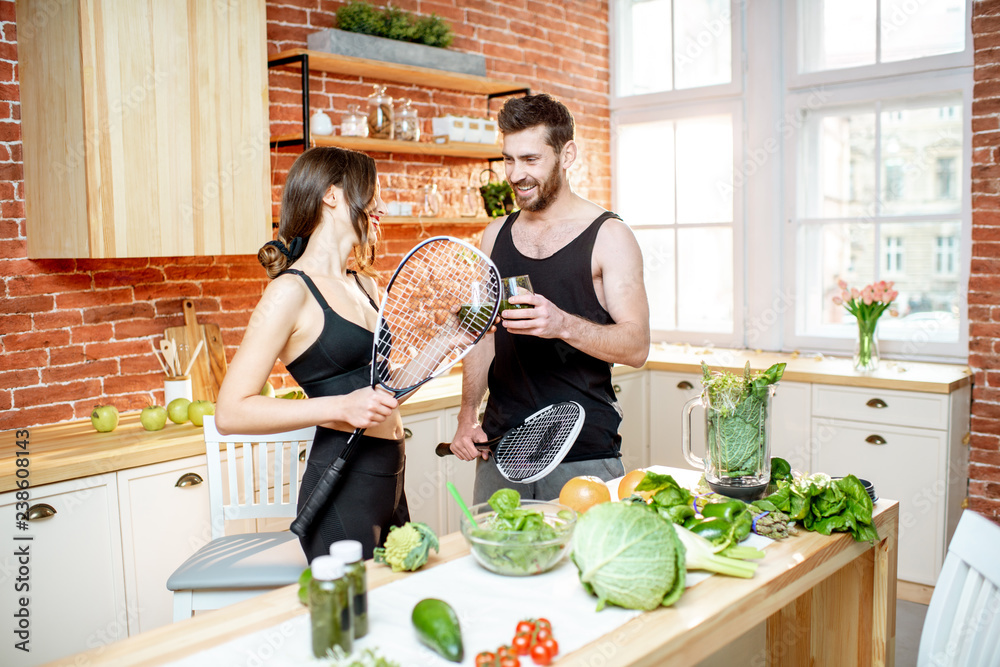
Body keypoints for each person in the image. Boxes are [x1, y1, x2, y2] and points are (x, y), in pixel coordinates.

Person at [448, 93, 650, 503]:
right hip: (502, 448)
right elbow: (483, 334)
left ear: (566, 154)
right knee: (494, 561)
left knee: (585, 565)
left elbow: (637, 346)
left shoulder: (610, 236)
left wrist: (563, 325)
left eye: (531, 159)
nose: (516, 174)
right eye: (508, 159)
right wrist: (469, 412)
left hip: (583, 454)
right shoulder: (494, 235)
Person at [215, 146, 406, 562]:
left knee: (392, 611)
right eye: (371, 192)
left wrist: (448, 341)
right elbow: (230, 412)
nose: (381, 206)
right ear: (333, 195)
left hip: (391, 474)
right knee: (347, 620)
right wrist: (340, 406)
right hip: (342, 484)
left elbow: (376, 389)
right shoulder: (290, 291)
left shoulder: (367, 287)